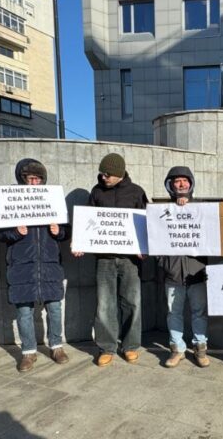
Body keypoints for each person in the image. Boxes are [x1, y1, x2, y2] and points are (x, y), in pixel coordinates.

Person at [0, 158, 69, 372]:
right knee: (24, 312)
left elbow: (66, 231)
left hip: (49, 264)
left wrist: (58, 231)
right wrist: (14, 232)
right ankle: (28, 352)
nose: (34, 183)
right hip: (21, 265)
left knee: (54, 308)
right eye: (30, 179)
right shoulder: (10, 200)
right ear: (22, 179)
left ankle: (56, 346)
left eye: (38, 179)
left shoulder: (52, 200)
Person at [72, 152, 149, 367]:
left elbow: (146, 223)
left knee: (132, 302)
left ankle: (131, 346)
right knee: (105, 304)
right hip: (104, 259)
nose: (104, 177)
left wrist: (144, 248)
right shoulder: (96, 192)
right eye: (102, 173)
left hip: (131, 260)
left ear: (119, 174)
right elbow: (88, 223)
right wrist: (80, 243)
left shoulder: (136, 192)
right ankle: (106, 347)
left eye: (107, 174)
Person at [157, 166, 210, 368]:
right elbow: (155, 240)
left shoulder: (202, 210)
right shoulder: (161, 211)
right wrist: (164, 263)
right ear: (170, 185)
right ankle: (177, 349)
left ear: (191, 183)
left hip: (196, 272)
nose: (181, 184)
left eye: (184, 180)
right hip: (172, 274)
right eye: (176, 181)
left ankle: (200, 348)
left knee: (199, 312)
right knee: (173, 314)